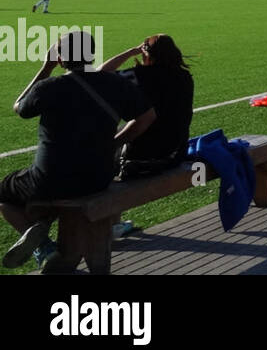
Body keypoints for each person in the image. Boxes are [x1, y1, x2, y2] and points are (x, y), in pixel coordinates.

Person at [1, 31, 153, 271]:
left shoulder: (49, 87)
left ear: (60, 58)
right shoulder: (114, 83)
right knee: (65, 191)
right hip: (98, 177)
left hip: (49, 180)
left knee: (4, 194)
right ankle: (43, 225)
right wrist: (114, 142)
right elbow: (147, 117)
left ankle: (43, 246)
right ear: (91, 55)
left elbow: (19, 107)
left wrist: (46, 68)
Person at [99, 35, 195, 172]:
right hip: (176, 153)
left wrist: (131, 52)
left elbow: (100, 74)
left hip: (143, 157)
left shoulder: (139, 75)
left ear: (147, 54)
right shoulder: (185, 76)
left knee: (100, 141)